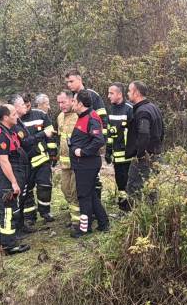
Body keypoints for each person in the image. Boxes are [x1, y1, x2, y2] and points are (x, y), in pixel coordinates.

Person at [0, 103, 30, 255]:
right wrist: (13, 182)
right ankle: (8, 246)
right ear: (5, 117)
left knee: (5, 210)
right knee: (8, 211)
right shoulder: (0, 135)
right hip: (5, 177)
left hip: (11, 173)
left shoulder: (9, 131)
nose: (17, 116)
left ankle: (3, 242)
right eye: (14, 115)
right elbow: (4, 161)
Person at [69, 91, 110, 238]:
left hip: (87, 164)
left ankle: (84, 228)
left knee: (83, 196)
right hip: (82, 164)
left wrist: (83, 152)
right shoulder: (82, 116)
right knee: (90, 194)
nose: (72, 103)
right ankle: (104, 223)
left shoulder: (92, 117)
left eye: (74, 101)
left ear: (80, 104)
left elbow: (99, 140)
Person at [17, 94, 57, 224]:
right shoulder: (14, 119)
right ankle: (29, 217)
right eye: (23, 105)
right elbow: (22, 142)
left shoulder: (41, 115)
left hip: (41, 159)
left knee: (45, 186)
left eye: (27, 104)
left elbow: (51, 134)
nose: (26, 107)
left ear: (30, 103)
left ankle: (45, 212)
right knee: (27, 190)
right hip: (25, 163)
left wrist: (53, 153)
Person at [125, 80, 164, 205]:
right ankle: (152, 212)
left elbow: (144, 134)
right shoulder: (153, 108)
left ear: (136, 93)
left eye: (129, 91)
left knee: (134, 186)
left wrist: (140, 154)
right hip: (156, 155)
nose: (127, 93)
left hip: (145, 157)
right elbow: (162, 130)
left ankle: (132, 213)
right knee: (152, 187)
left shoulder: (142, 111)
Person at [106, 82, 134, 211]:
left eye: (111, 93)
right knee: (119, 181)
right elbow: (110, 131)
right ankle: (123, 206)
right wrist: (108, 150)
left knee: (128, 181)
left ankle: (130, 207)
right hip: (116, 154)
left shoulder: (129, 109)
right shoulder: (111, 109)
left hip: (128, 155)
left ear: (120, 94)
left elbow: (134, 133)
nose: (109, 96)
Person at [55, 90, 80, 229]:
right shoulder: (60, 117)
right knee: (65, 189)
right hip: (65, 164)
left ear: (72, 101)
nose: (61, 105)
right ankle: (73, 215)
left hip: (77, 162)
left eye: (63, 102)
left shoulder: (79, 116)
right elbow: (61, 138)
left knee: (76, 191)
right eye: (59, 102)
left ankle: (77, 221)